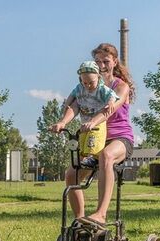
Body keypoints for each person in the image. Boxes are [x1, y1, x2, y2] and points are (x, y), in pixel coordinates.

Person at [51, 43, 135, 228]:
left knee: (106, 155)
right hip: (94, 140)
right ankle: (81, 220)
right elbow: (74, 106)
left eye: (106, 61)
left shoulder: (121, 87)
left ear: (114, 62)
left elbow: (109, 109)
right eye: (98, 61)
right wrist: (63, 122)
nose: (102, 65)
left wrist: (92, 122)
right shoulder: (87, 86)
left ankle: (101, 214)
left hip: (119, 138)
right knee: (71, 173)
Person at [56, 60, 119, 167]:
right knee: (83, 142)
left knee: (93, 140)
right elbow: (72, 97)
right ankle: (85, 157)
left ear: (98, 78)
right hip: (84, 122)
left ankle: (93, 158)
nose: (88, 85)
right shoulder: (80, 88)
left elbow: (112, 94)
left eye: (91, 82)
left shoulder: (101, 89)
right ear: (81, 80)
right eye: (85, 83)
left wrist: (111, 102)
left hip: (97, 123)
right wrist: (66, 106)